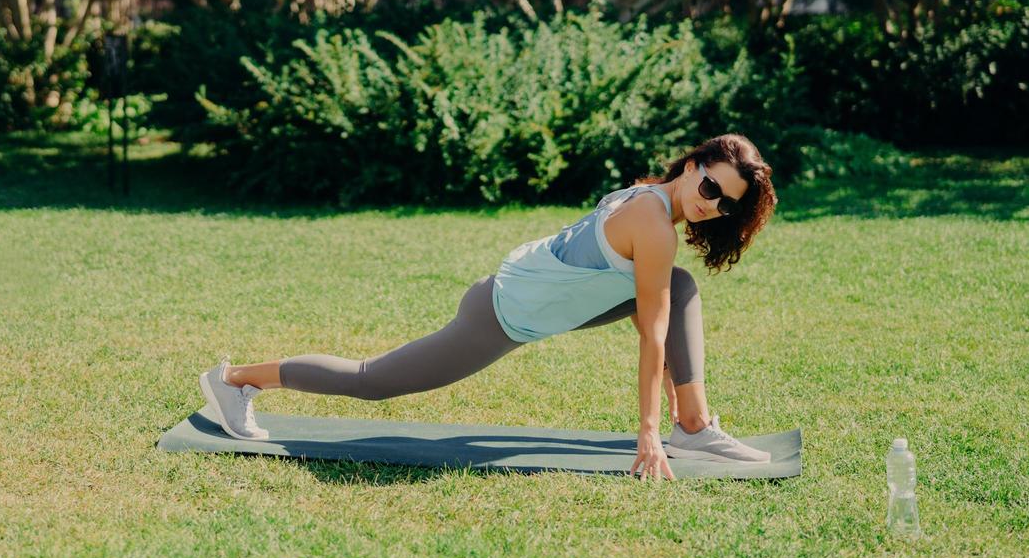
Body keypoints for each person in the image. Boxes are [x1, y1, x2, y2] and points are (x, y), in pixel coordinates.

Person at [197, 133, 779, 481]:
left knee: (677, 288)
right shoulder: (654, 225)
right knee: (373, 381)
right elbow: (653, 337)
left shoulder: (652, 199)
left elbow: (648, 310)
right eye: (710, 188)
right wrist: (648, 432)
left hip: (533, 298)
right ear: (691, 166)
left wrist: (673, 412)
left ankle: (695, 426)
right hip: (498, 316)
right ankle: (235, 381)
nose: (712, 205)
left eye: (726, 204)